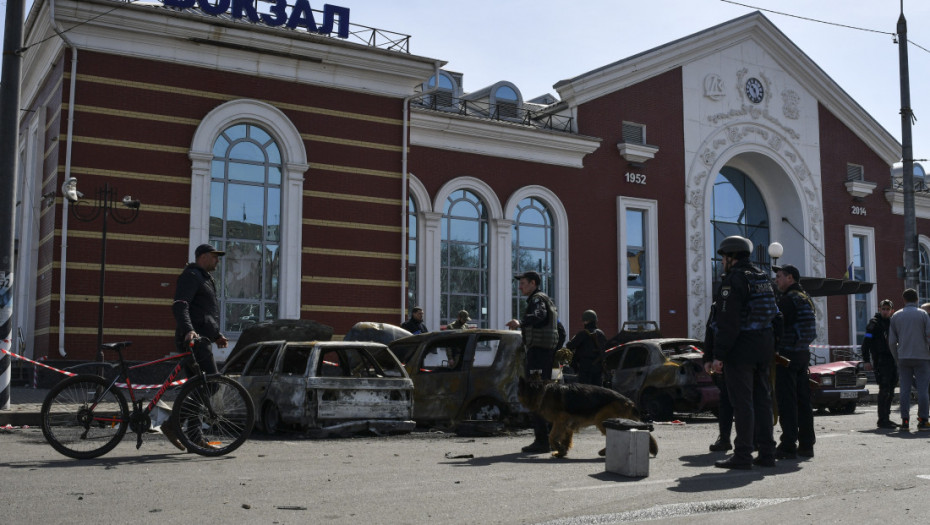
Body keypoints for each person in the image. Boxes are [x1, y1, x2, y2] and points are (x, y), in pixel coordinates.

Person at [709, 235, 779, 469]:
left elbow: (728, 322)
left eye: (723, 258)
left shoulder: (733, 281)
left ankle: (743, 455)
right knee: (763, 401)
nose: (721, 262)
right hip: (764, 346)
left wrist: (719, 355)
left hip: (742, 348)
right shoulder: (763, 277)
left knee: (743, 403)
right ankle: (767, 453)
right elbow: (775, 315)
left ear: (731, 257)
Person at [166, 243, 229, 451]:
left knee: (198, 387)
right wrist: (188, 331)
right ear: (202, 257)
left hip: (200, 338)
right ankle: (172, 426)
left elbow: (203, 314)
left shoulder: (203, 278)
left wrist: (216, 335)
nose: (217, 260)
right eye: (214, 256)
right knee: (212, 383)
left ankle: (194, 437)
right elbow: (180, 305)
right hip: (193, 341)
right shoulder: (191, 276)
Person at [507, 270, 560, 453]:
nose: (520, 286)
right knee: (543, 396)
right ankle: (550, 438)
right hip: (543, 353)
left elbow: (539, 316)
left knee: (535, 395)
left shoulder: (537, 300)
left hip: (538, 354)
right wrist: (553, 351)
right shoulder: (546, 300)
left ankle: (542, 441)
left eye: (523, 282)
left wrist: (520, 323)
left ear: (533, 283)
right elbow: (560, 330)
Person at [772, 264, 817, 459]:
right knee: (804, 401)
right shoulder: (806, 298)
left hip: (786, 357)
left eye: (780, 276)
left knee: (787, 401)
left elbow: (776, 326)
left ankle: (788, 444)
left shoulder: (788, 300)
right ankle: (807, 444)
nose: (776, 280)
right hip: (802, 355)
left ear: (790, 278)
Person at [887, 288, 930, 431]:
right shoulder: (923, 314)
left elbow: (892, 341)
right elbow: (929, 336)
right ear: (917, 299)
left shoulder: (896, 316)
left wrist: (896, 357)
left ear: (903, 300)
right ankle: (923, 420)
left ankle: (905, 421)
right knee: (923, 390)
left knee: (904, 389)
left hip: (904, 357)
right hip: (922, 357)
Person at [861, 299, 899, 429]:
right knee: (884, 389)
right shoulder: (874, 324)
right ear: (880, 309)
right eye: (883, 309)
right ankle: (882, 419)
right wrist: (866, 360)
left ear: (892, 310)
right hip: (881, 360)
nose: (885, 311)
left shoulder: (893, 323)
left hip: (893, 359)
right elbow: (866, 343)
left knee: (891, 389)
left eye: (888, 309)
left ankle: (886, 418)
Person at [704, 301, 734, 452]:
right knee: (745, 401)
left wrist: (714, 357)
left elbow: (715, 331)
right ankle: (751, 440)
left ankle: (726, 440)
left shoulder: (725, 302)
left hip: (730, 361)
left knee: (729, 402)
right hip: (748, 358)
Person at [565, 310, 607, 386]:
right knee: (597, 390)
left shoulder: (582, 334)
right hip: (598, 367)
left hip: (585, 368)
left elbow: (569, 346)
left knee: (585, 392)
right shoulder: (601, 334)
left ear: (586, 321)